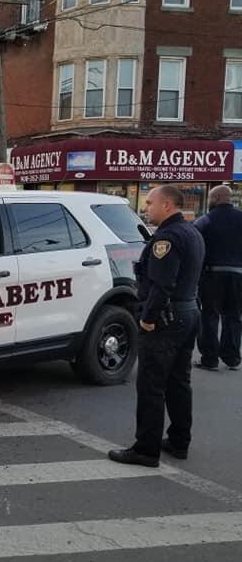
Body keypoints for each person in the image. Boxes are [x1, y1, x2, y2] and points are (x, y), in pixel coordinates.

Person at [109, 185, 204, 467]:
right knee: (178, 381)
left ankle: (145, 449)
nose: (146, 208)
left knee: (151, 384)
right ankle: (179, 440)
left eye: (150, 203)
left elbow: (163, 284)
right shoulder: (192, 232)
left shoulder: (168, 238)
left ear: (167, 205)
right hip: (188, 312)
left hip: (166, 317)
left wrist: (148, 318)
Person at [194, 185, 242, 371]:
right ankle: (232, 358)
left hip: (212, 274)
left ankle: (210, 359)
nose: (209, 201)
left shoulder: (206, 219)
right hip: (238, 275)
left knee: (210, 315)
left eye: (211, 197)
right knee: (233, 316)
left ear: (217, 198)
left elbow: (194, 238)